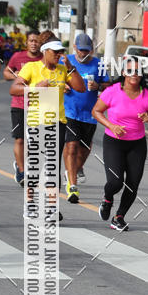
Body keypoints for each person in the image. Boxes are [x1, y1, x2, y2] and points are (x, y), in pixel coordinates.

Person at [10, 31, 86, 217]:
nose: (59, 55)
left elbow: (81, 88)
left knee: (53, 166)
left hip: (57, 123)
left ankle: (52, 206)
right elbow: (14, 89)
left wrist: (70, 67)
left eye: (60, 52)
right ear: (45, 51)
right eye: (55, 52)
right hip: (36, 122)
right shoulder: (31, 67)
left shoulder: (62, 70)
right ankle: (30, 204)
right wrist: (35, 87)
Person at [92, 55, 148, 231]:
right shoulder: (113, 91)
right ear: (123, 72)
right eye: (130, 70)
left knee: (133, 184)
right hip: (114, 142)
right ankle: (107, 199)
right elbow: (96, 111)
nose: (134, 74)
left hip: (137, 144)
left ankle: (119, 216)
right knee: (115, 182)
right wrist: (111, 126)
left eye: (137, 71)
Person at [63, 33, 109, 204]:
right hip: (69, 111)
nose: (84, 54)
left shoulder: (99, 64)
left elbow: (108, 85)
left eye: (87, 51)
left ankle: (74, 170)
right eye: (81, 50)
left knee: (85, 148)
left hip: (89, 114)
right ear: (74, 47)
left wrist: (98, 86)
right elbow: (55, 78)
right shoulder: (65, 61)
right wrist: (64, 85)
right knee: (72, 145)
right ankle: (72, 185)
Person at [3, 29, 41, 186]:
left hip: (38, 105)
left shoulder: (44, 59)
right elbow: (6, 72)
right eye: (31, 40)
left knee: (34, 141)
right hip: (19, 104)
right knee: (20, 139)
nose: (33, 43)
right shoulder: (18, 57)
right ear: (26, 43)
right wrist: (16, 77)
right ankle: (21, 170)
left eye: (36, 41)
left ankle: (26, 166)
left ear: (41, 43)